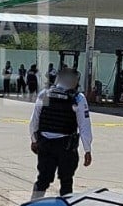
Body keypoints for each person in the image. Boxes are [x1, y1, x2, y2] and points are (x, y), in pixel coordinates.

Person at [29, 67, 93, 198]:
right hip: (66, 147)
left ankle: (33, 205)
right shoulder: (78, 98)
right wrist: (87, 150)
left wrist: (34, 140)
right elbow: (84, 126)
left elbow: (34, 122)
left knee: (42, 179)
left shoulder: (44, 94)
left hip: (45, 144)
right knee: (66, 181)